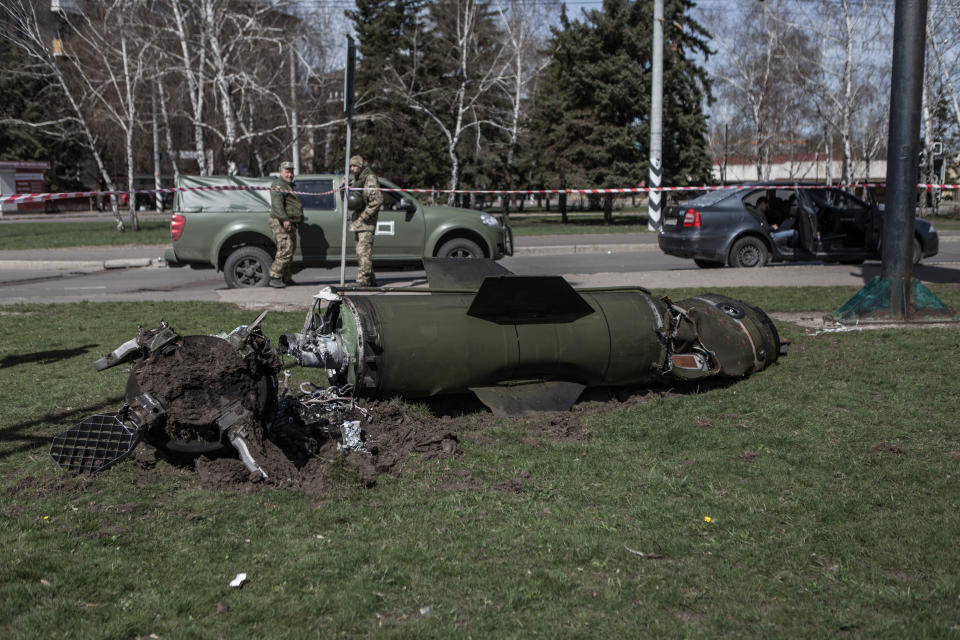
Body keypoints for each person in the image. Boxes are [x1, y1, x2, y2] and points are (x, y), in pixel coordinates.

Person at [348, 155, 383, 287]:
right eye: (351, 166)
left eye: (355, 166)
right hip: (358, 221)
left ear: (361, 166)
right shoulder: (358, 179)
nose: (352, 168)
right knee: (362, 251)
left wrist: (364, 217)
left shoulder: (370, 178)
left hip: (366, 222)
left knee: (363, 251)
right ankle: (371, 279)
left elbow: (377, 200)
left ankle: (363, 280)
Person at [268, 161, 303, 288]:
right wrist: (284, 220)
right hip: (280, 222)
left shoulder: (288, 185)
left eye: (291, 171)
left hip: (290, 222)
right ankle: (275, 276)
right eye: (287, 171)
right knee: (285, 249)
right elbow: (277, 204)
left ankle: (286, 277)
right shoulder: (278, 184)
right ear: (281, 172)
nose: (290, 174)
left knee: (291, 250)